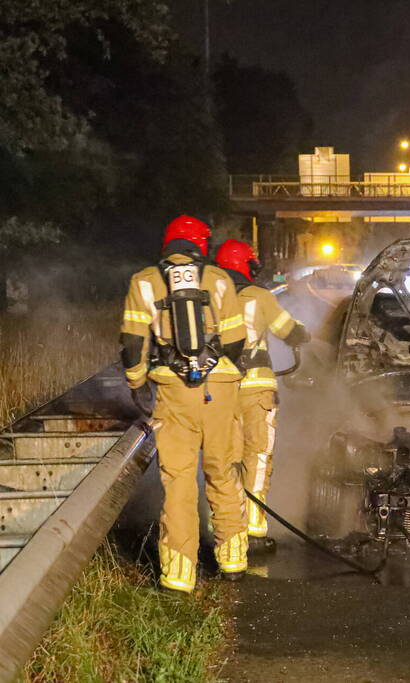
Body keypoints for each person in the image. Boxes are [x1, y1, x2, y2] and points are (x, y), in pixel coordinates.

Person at [120, 215, 249, 592]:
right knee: (223, 472)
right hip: (220, 390)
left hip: (173, 392)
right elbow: (237, 340)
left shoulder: (143, 281)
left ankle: (179, 576)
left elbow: (131, 342)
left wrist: (137, 382)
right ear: (202, 246)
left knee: (177, 482)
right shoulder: (221, 279)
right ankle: (234, 561)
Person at [215, 239, 310, 553]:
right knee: (256, 458)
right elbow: (289, 331)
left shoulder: (209, 297)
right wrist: (303, 332)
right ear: (247, 266)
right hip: (256, 392)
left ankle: (228, 532)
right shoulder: (259, 297)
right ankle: (254, 531)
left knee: (226, 460)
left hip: (219, 392)